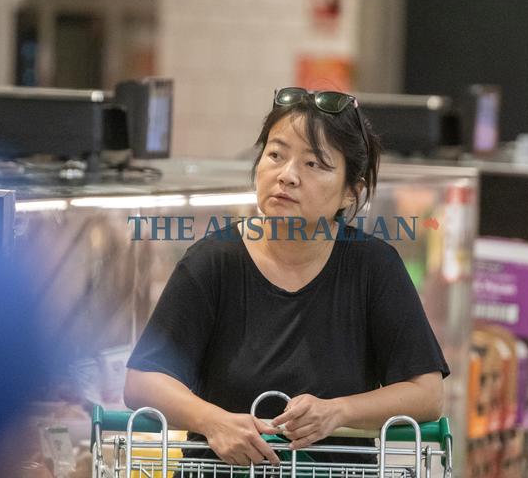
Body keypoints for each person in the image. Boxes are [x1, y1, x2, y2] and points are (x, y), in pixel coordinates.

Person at [124, 87, 450, 467]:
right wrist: (211, 420)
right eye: (275, 154)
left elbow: (427, 394)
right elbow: (142, 382)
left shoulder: (374, 267)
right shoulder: (212, 262)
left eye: (314, 164)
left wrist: (338, 411)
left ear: (351, 192)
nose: (288, 175)